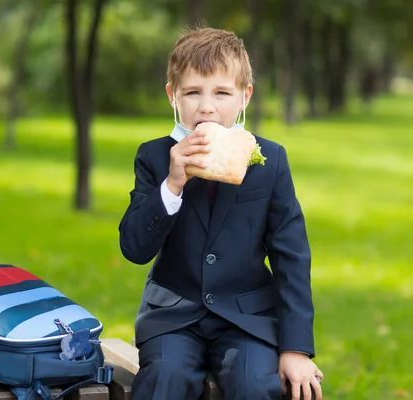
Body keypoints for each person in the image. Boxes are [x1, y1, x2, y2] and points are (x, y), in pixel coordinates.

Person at [118, 27, 323, 400]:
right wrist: (172, 183)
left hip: (247, 318)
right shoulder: (154, 156)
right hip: (173, 318)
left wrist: (296, 349)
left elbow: (291, 255)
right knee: (164, 378)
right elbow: (134, 247)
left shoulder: (270, 159)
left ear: (245, 96)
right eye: (193, 92)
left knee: (254, 386)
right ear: (172, 96)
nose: (207, 107)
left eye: (222, 93)